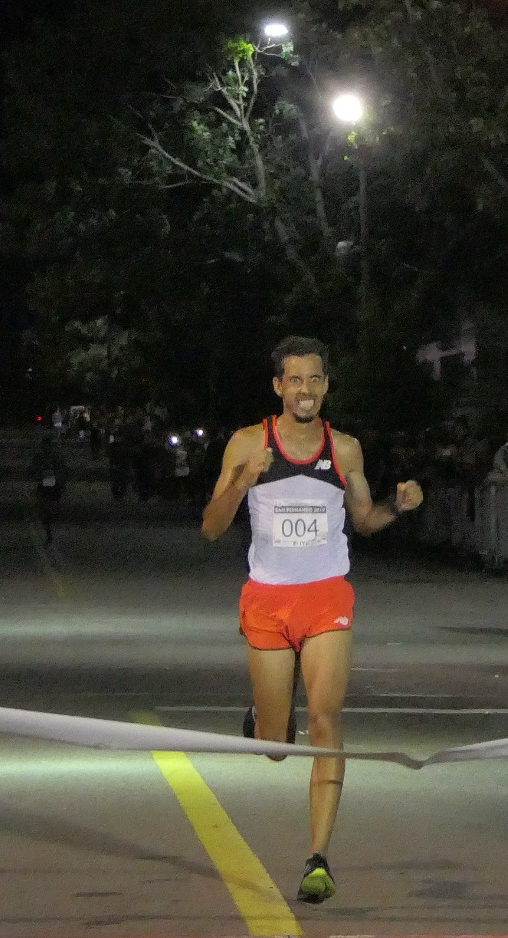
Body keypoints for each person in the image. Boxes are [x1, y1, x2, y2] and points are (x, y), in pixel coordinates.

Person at [201, 336, 423, 905]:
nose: (306, 390)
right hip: (269, 600)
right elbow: (211, 527)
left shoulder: (344, 449)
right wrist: (241, 482)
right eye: (295, 380)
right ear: (278, 386)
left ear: (326, 385)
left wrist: (397, 507)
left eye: (316, 380)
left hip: (326, 598)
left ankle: (318, 858)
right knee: (277, 747)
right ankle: (267, 718)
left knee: (325, 723)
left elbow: (365, 520)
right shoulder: (250, 443)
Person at [30, 431, 66, 543]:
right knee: (44, 510)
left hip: (52, 485)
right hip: (46, 485)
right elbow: (33, 470)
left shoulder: (53, 456)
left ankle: (48, 526)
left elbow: (62, 470)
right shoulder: (41, 457)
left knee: (48, 510)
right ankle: (48, 530)